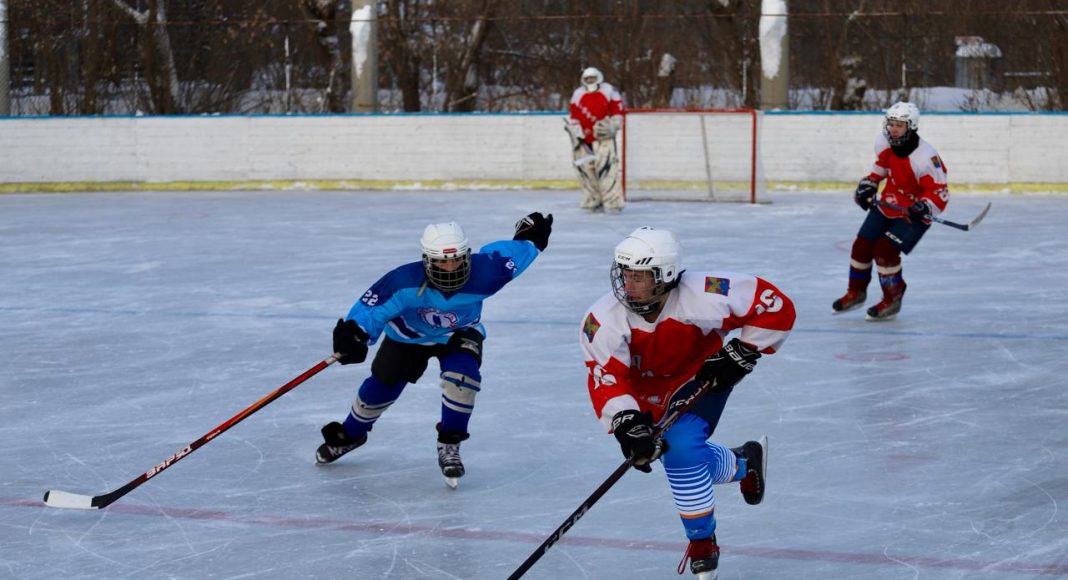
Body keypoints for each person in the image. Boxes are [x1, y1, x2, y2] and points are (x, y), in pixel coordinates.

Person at [580, 227, 795, 578]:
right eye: (625, 274)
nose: (627, 284)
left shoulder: (706, 292)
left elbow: (775, 306)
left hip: (701, 379)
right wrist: (626, 422)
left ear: (665, 275)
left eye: (639, 276)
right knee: (678, 455)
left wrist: (741, 353)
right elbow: (605, 377)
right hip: (642, 396)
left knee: (680, 448)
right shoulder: (602, 320)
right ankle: (744, 463)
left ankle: (702, 541)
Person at [317, 212, 553, 489]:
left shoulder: (489, 270)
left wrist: (531, 235)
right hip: (408, 337)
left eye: (457, 259)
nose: (450, 268)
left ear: (467, 256)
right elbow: (370, 310)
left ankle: (450, 443)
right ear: (427, 260)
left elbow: (522, 250)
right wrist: (354, 334)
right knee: (380, 389)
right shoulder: (402, 282)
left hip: (460, 333)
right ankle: (351, 434)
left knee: (462, 380)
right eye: (442, 261)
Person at [833, 101, 949, 321]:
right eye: (891, 124)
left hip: (913, 213)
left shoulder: (925, 156)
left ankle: (892, 297)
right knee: (861, 245)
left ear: (911, 126)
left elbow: (939, 192)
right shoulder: (884, 141)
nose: (894, 129)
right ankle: (856, 292)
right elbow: (882, 166)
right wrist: (870, 182)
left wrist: (924, 205)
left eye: (899, 125)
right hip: (888, 204)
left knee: (885, 250)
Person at [566, 66, 625, 212]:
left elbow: (617, 110)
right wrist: (576, 129)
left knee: (607, 169)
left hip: (603, 137)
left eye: (593, 78)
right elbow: (574, 115)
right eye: (587, 78)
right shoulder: (578, 94)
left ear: (599, 77)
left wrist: (614, 124)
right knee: (586, 171)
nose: (590, 81)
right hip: (584, 140)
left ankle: (613, 202)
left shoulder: (609, 90)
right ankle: (592, 199)